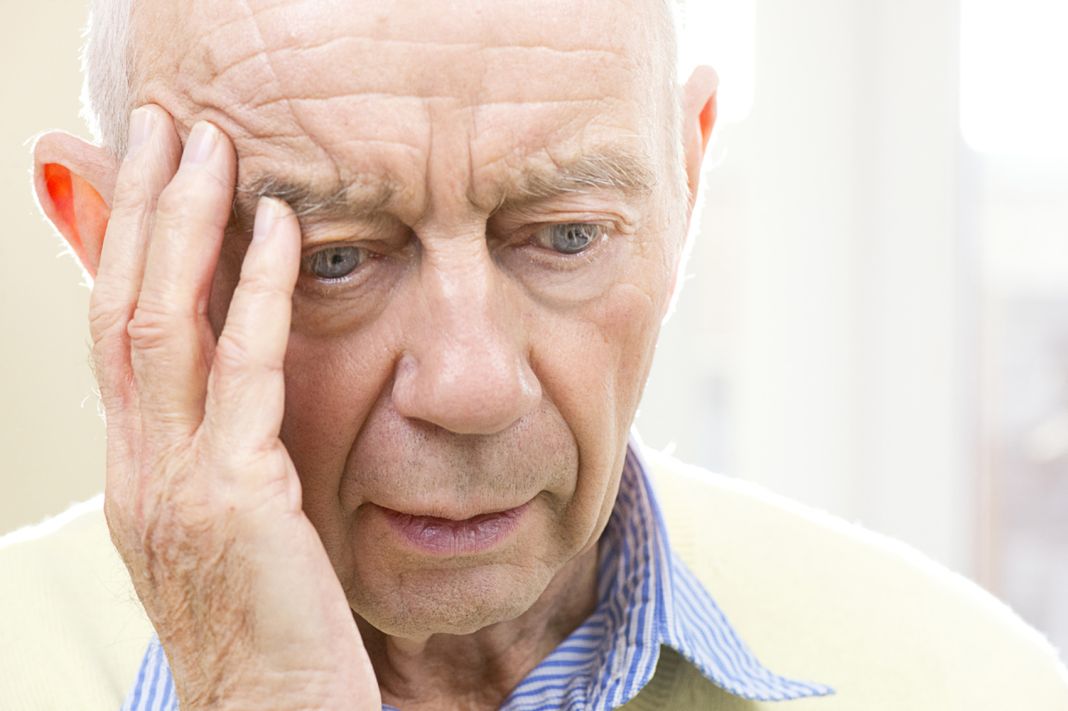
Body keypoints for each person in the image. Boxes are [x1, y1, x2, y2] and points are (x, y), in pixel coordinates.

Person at [3, 0, 1067, 709]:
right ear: (112, 241)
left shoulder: (974, 686)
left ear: (685, 186)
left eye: (566, 238)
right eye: (333, 259)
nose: (471, 387)